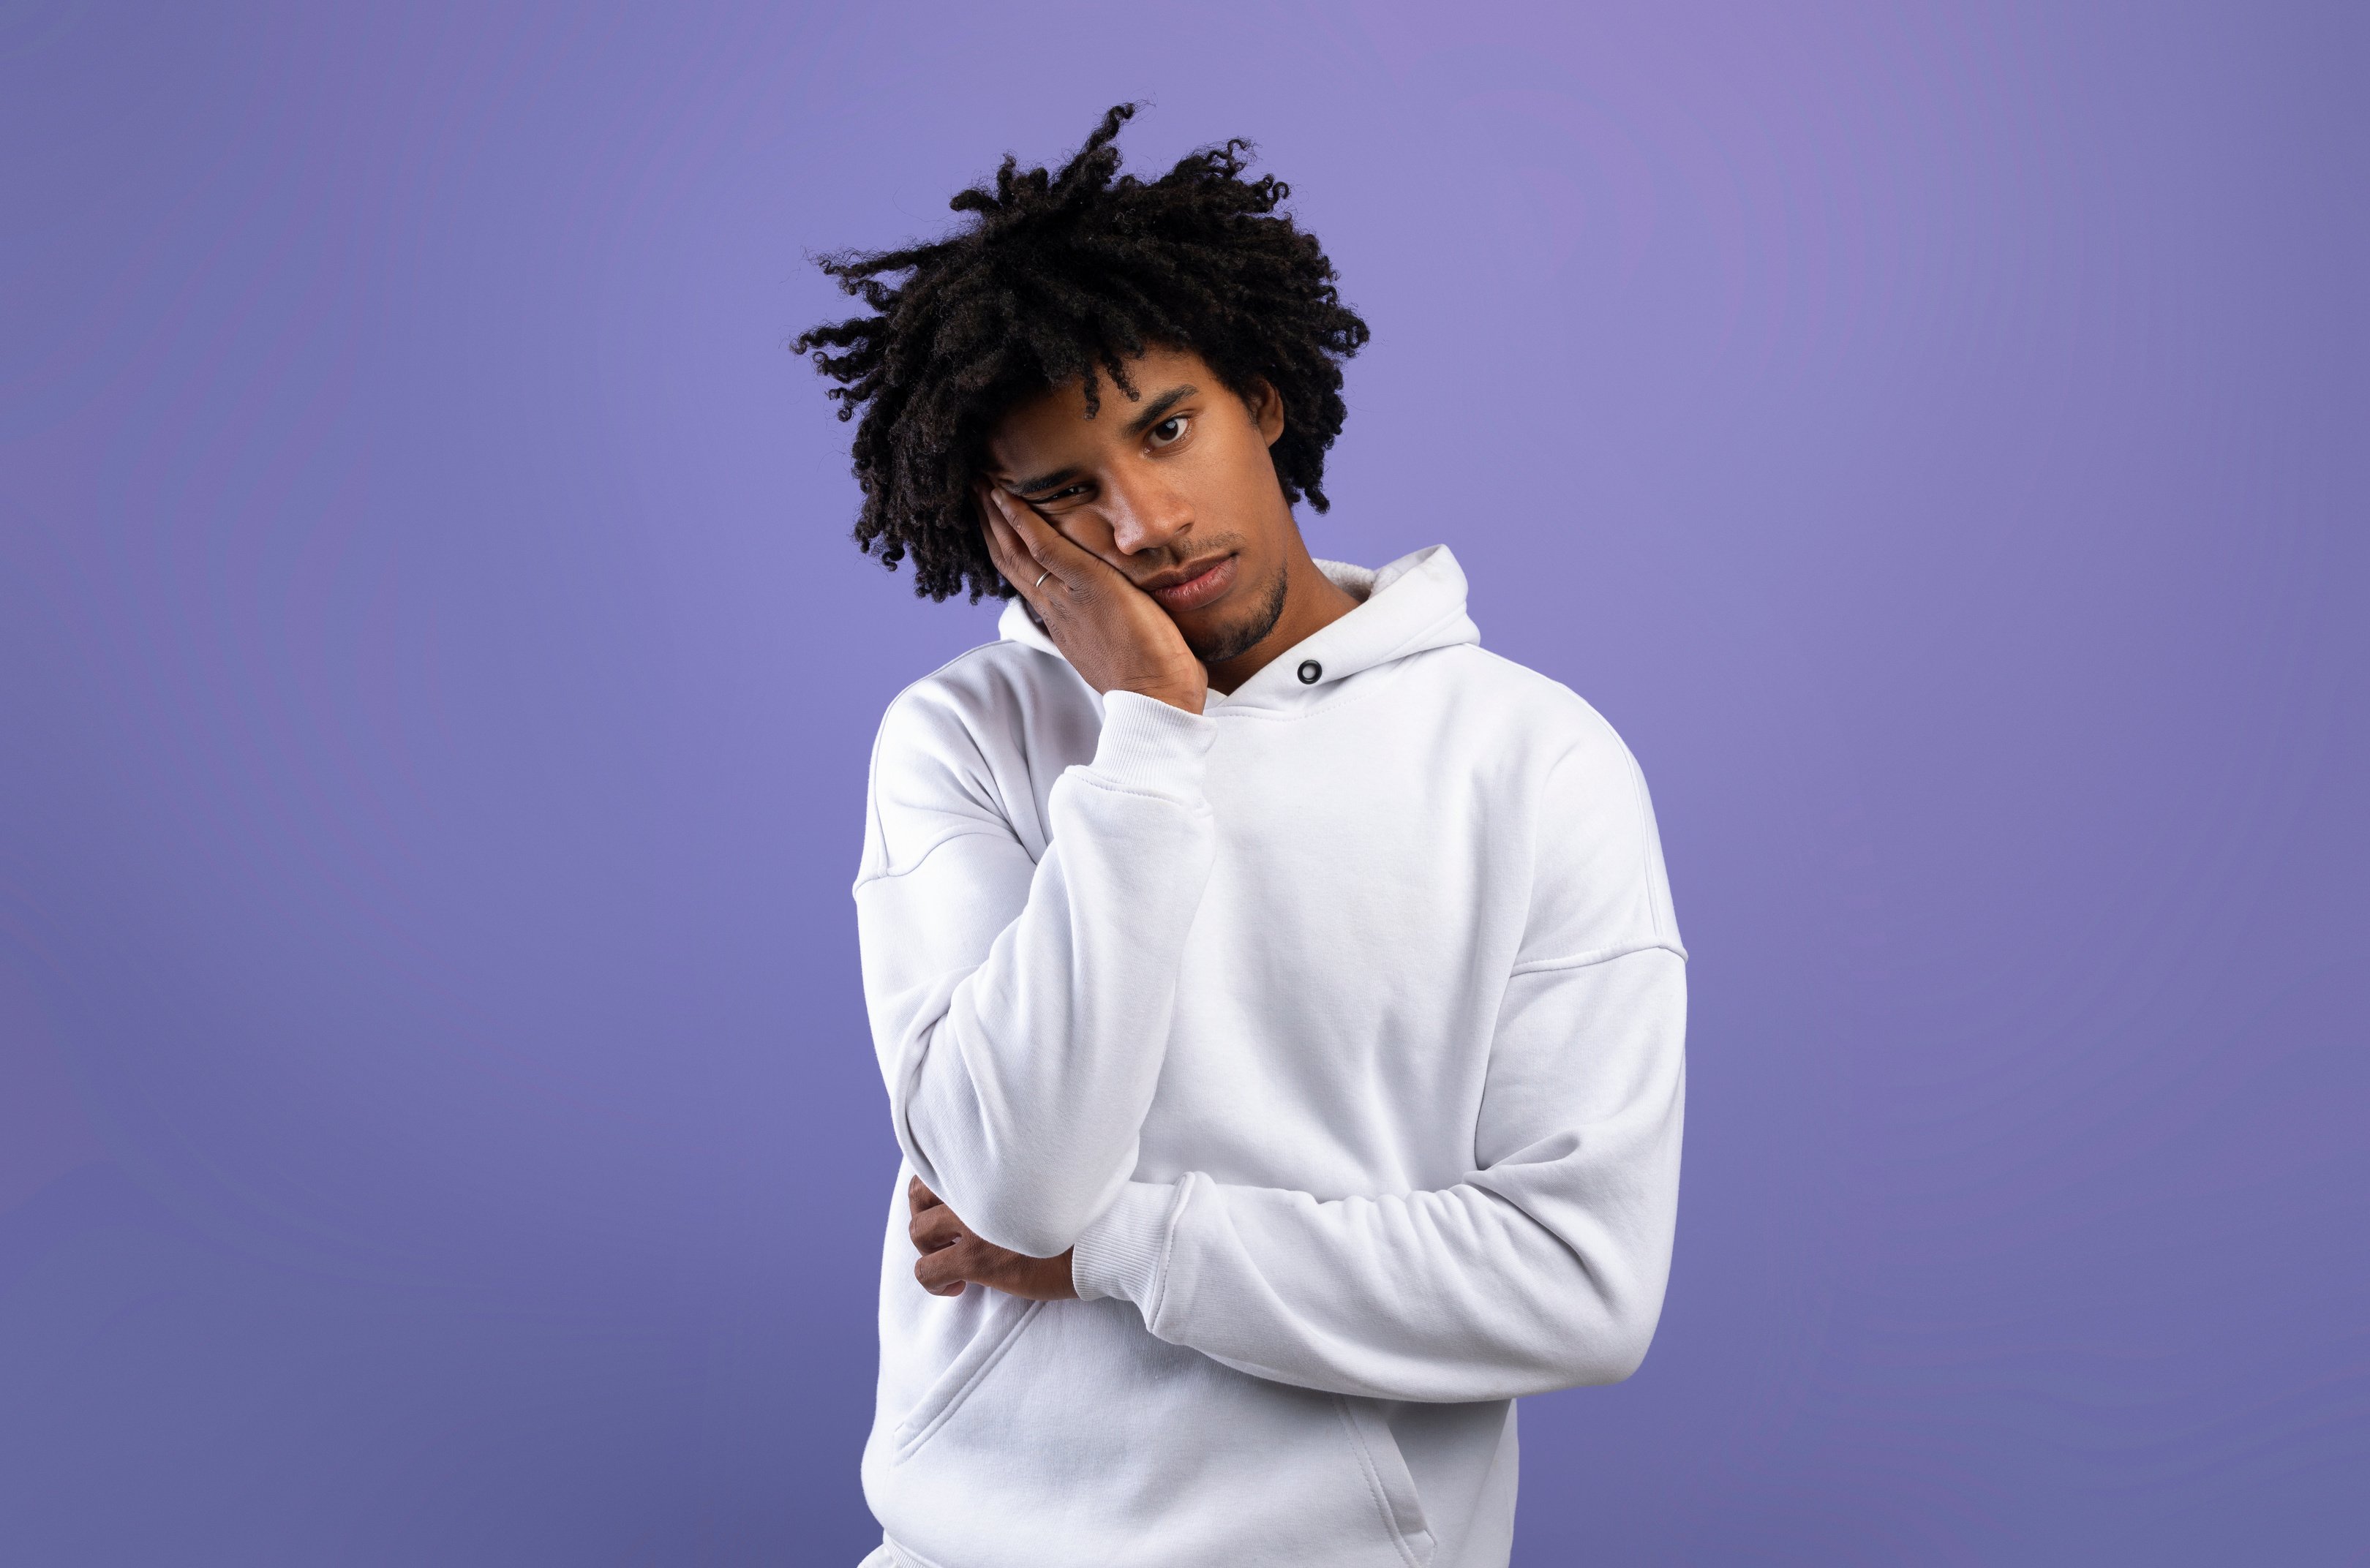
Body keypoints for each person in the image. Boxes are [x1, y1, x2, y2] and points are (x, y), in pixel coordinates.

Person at [797, 104, 1687, 1568]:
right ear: (1000, 527)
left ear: (1260, 400)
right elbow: (1010, 1183)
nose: (1142, 523)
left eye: (1166, 429)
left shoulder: (1536, 763)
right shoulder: (964, 739)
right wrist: (1147, 727)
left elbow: (1582, 1284)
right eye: (1065, 493)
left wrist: (1111, 1250)